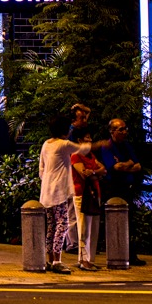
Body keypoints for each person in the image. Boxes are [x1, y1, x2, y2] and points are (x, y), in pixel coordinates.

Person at [38, 114, 107, 274]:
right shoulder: (63, 144)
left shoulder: (46, 144)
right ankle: (57, 261)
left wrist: (47, 181)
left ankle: (49, 259)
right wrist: (101, 144)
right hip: (58, 193)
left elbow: (41, 168)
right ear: (64, 129)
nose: (70, 130)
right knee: (62, 224)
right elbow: (83, 148)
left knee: (51, 226)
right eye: (68, 127)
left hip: (46, 192)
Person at [100, 117, 146, 266]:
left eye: (125, 128)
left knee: (130, 222)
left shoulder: (127, 145)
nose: (125, 132)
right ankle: (116, 253)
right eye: (121, 129)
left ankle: (131, 255)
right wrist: (129, 164)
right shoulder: (107, 147)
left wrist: (125, 165)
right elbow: (115, 167)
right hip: (113, 188)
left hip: (127, 187)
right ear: (112, 131)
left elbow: (137, 165)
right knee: (114, 221)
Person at [71, 128, 106, 270]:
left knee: (94, 227)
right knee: (83, 228)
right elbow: (83, 173)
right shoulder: (76, 155)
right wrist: (95, 172)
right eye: (87, 137)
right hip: (82, 194)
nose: (90, 140)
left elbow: (103, 169)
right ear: (79, 141)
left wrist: (94, 172)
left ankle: (90, 259)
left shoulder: (91, 155)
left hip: (94, 193)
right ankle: (83, 259)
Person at [64, 103, 92, 252]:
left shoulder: (78, 130)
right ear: (74, 120)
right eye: (81, 117)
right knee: (72, 212)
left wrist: (81, 106)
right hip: (72, 176)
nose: (85, 119)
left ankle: (76, 242)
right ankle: (72, 243)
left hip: (76, 176)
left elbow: (89, 111)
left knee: (78, 212)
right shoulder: (72, 133)